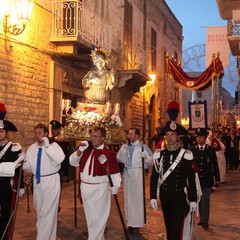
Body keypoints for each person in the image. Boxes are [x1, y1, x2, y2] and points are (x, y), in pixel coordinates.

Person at [150, 100, 197, 240]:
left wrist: (193, 199)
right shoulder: (159, 154)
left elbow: (191, 179)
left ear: (177, 137)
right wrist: (153, 195)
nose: (169, 137)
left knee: (176, 229)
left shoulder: (186, 155)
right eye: (167, 134)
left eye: (172, 134)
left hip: (179, 197)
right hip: (165, 195)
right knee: (169, 227)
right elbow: (154, 177)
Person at [69, 126, 121, 240]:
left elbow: (114, 171)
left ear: (103, 138)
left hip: (100, 189)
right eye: (91, 136)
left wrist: (116, 185)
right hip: (85, 188)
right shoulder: (85, 149)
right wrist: (80, 151)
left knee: (99, 219)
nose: (92, 139)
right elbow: (72, 162)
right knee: (91, 219)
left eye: (95, 137)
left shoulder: (108, 153)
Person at [23, 123, 65, 240]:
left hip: (51, 181)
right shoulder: (32, 148)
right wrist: (23, 162)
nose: (37, 136)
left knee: (47, 213)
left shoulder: (54, 146)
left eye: (40, 133)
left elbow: (59, 159)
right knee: (40, 211)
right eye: (36, 133)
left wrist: (48, 146)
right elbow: (29, 168)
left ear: (46, 134)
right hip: (37, 182)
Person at [117, 128, 153, 233]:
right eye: (129, 134)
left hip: (138, 174)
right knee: (128, 198)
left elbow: (151, 161)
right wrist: (122, 150)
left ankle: (137, 222)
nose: (129, 136)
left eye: (131, 134)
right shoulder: (126, 147)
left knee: (137, 198)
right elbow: (119, 158)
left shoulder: (143, 147)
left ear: (137, 136)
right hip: (128, 174)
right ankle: (130, 222)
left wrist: (145, 157)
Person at [0, 103, 25, 240]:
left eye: (2, 131)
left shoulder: (15, 147)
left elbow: (19, 168)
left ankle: (4, 237)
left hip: (7, 186)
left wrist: (20, 185)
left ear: (7, 133)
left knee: (6, 213)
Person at [190, 128, 220, 229]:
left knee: (206, 200)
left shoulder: (210, 150)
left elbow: (214, 165)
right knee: (199, 199)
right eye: (197, 137)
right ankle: (201, 219)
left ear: (205, 138)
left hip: (207, 179)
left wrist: (217, 179)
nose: (199, 139)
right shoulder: (192, 150)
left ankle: (205, 221)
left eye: (201, 137)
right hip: (196, 180)